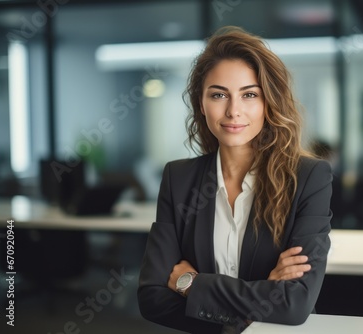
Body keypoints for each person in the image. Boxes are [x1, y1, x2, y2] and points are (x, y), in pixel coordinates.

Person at [137, 26, 333, 334]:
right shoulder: (178, 179)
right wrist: (261, 296)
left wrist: (192, 285)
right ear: (201, 104)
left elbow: (294, 305)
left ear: (268, 103)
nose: (233, 111)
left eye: (249, 94)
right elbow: (153, 299)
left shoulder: (308, 178)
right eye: (218, 95)